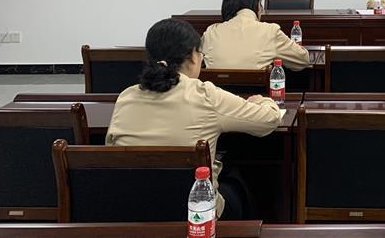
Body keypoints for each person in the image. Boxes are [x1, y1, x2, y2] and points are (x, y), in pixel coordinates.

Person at [106, 18, 281, 218]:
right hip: (197, 217)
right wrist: (262, 100)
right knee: (240, 179)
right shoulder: (205, 95)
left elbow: (111, 151)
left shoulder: (126, 97)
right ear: (191, 56)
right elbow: (269, 120)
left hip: (133, 210)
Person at [201, 0, 309, 70]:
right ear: (258, 6)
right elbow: (303, 59)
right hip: (259, 90)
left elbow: (194, 62)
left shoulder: (211, 32)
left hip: (217, 90)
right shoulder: (270, 32)